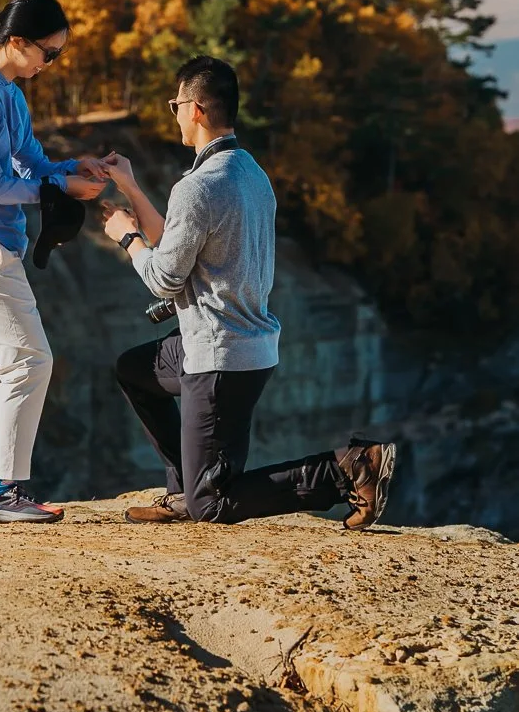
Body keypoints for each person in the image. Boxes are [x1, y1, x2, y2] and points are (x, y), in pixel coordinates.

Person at [102, 55, 396, 528]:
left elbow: (163, 277)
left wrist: (126, 238)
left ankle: (346, 469)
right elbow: (177, 239)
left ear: (195, 109)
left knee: (212, 505)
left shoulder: (198, 187)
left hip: (220, 357)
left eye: (174, 104)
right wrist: (132, 188)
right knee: (134, 370)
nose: (172, 112)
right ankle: (183, 487)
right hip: (241, 346)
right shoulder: (249, 173)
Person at [0, 0, 109, 523]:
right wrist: (57, 194)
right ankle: (2, 491)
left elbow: (29, 160)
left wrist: (74, 167)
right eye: (47, 54)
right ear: (16, 43)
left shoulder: (6, 93)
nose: (48, 64)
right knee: (31, 361)